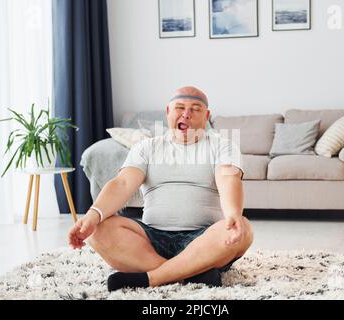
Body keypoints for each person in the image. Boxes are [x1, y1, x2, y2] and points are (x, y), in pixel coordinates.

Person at [68, 86, 253, 291]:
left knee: (243, 229)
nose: (186, 114)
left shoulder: (222, 145)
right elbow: (122, 183)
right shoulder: (146, 147)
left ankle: (153, 278)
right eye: (180, 107)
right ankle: (191, 272)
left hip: (203, 239)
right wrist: (93, 214)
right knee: (98, 228)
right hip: (150, 240)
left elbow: (228, 179)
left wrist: (233, 214)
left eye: (195, 109)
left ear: (207, 116)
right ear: (167, 112)